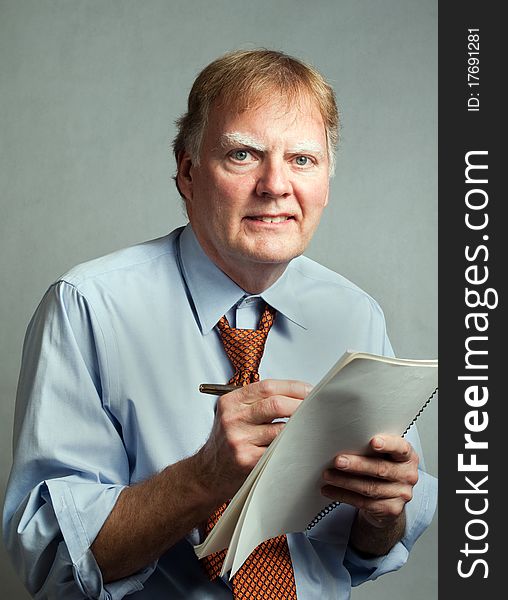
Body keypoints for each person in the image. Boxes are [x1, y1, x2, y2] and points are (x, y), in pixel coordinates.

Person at [3, 49, 437, 599]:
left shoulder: (356, 314)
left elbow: (370, 549)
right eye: (243, 155)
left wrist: (382, 517)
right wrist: (202, 479)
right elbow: (49, 556)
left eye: (302, 159)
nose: (275, 185)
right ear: (187, 171)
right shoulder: (87, 307)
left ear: (327, 179)